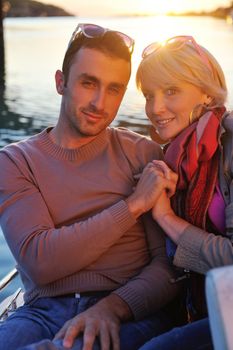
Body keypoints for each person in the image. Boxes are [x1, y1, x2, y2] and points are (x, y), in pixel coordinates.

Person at [0, 24, 180, 350]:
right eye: (88, 83)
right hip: (42, 312)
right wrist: (133, 205)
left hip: (128, 309)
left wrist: (113, 307)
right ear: (60, 82)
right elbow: (41, 263)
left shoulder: (144, 154)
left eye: (114, 89)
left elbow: (167, 267)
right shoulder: (15, 162)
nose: (100, 103)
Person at [135, 35, 233, 350]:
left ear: (206, 93)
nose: (155, 108)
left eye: (171, 91)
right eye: (149, 95)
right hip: (202, 303)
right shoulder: (176, 158)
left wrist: (164, 215)